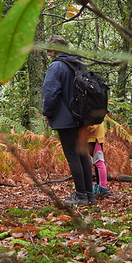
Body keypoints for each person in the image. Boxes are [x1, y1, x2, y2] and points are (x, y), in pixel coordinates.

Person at [41, 35, 95, 206]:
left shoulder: (56, 66)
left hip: (66, 118)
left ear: (53, 50)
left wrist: (47, 113)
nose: (49, 54)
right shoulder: (78, 63)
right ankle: (89, 196)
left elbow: (50, 93)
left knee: (72, 154)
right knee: (82, 154)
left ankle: (81, 196)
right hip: (82, 116)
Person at [87, 121, 110, 198]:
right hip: (91, 139)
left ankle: (103, 188)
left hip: (96, 138)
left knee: (99, 162)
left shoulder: (95, 109)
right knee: (96, 163)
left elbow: (95, 124)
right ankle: (98, 186)